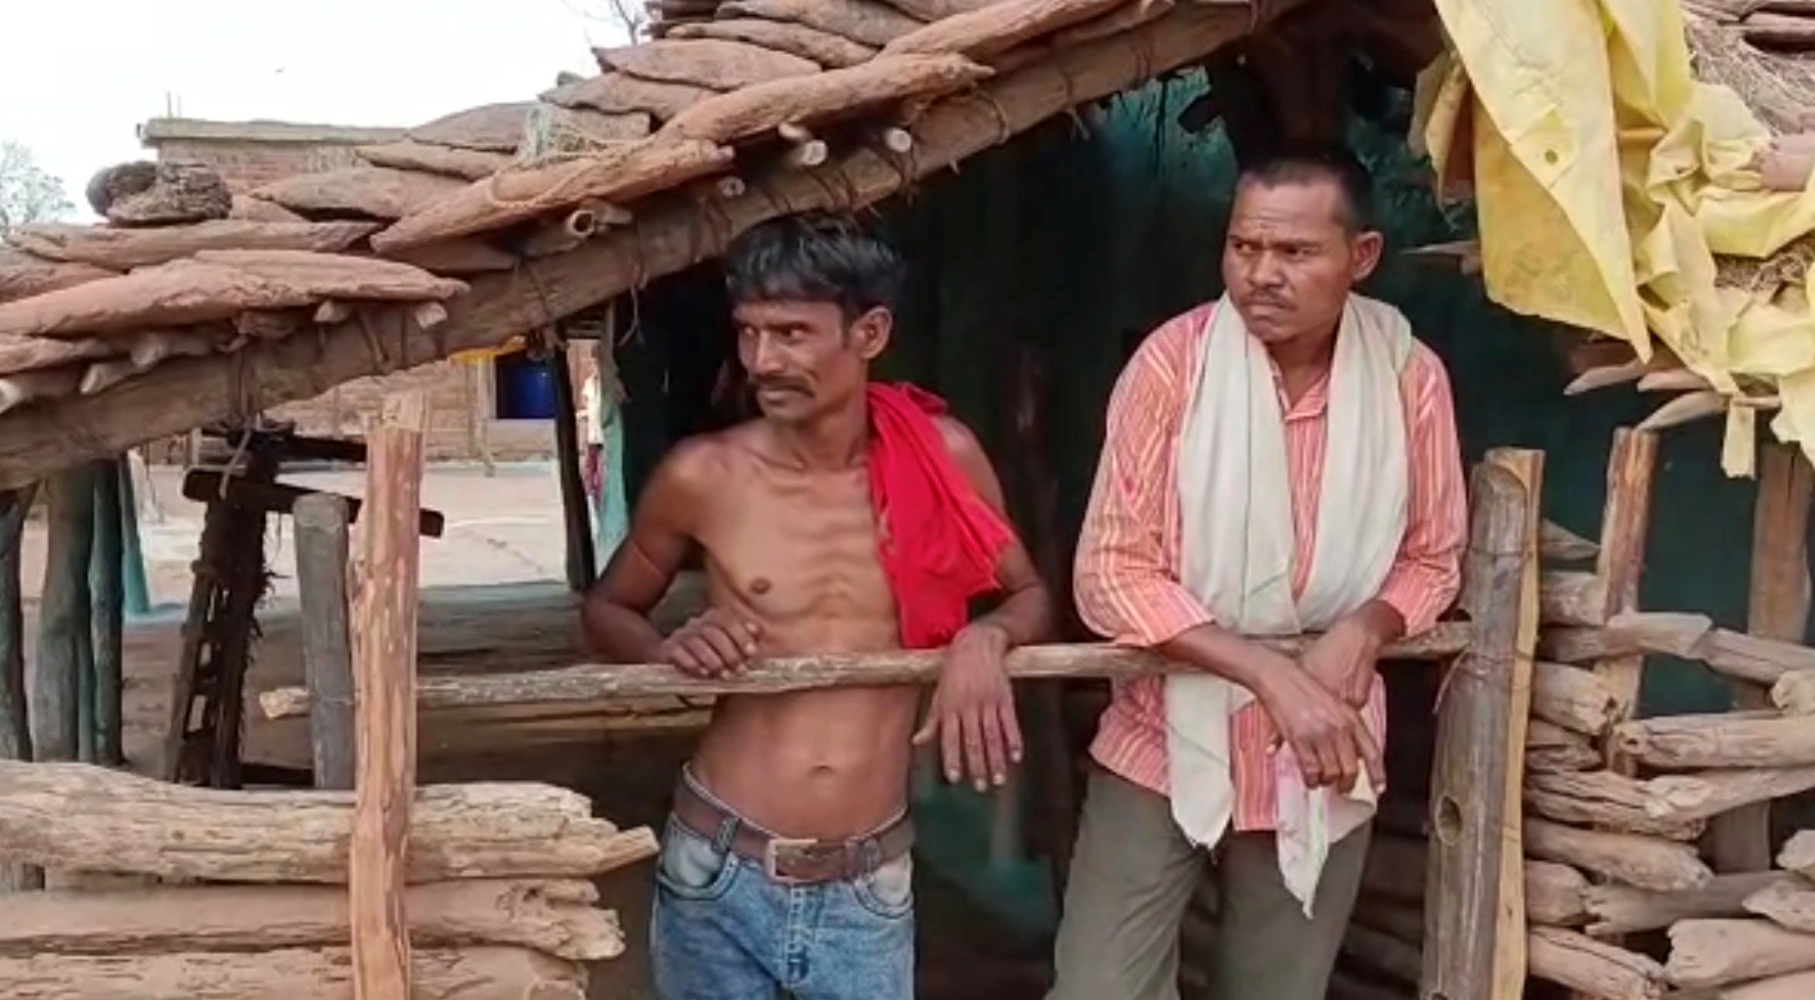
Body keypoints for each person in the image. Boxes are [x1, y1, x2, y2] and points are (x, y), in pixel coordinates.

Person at [581, 211, 1054, 1000]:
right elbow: (606, 610)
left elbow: (1029, 593)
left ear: (868, 333)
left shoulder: (942, 458)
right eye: (749, 333)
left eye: (793, 333)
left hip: (867, 880)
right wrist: (668, 655)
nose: (764, 360)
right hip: (715, 866)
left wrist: (987, 639)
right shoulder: (705, 475)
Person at [1046, 145, 1467, 1000]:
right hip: (1160, 739)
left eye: (1294, 253)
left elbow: (1432, 556)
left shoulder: (1405, 377)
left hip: (1323, 750)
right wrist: (1272, 675)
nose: (1260, 275)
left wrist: (1366, 626)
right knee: (1097, 989)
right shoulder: (1176, 364)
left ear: (1362, 257)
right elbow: (1110, 573)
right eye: (1244, 248)